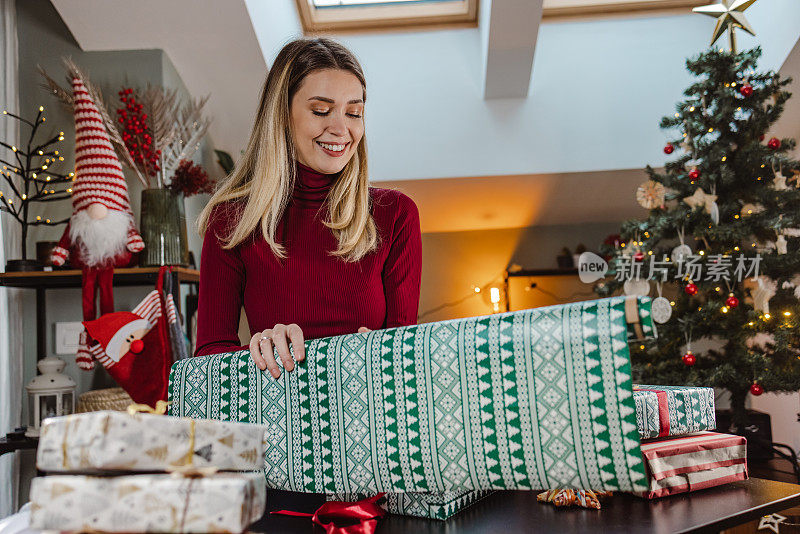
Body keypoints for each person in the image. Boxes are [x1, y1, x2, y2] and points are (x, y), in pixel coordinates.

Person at [194, 37, 422, 380]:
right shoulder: (231, 220)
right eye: (321, 110)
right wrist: (259, 350)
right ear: (282, 116)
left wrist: (382, 356)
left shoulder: (396, 214)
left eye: (354, 112)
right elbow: (207, 362)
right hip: (277, 426)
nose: (341, 129)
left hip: (370, 420)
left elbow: (406, 361)